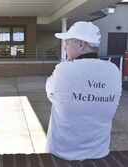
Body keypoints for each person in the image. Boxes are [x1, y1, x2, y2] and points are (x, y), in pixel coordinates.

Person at [45, 21, 122, 160]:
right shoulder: (114, 71)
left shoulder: (63, 70)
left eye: (67, 43)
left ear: (80, 44)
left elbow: (51, 94)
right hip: (99, 155)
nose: (64, 47)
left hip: (62, 156)